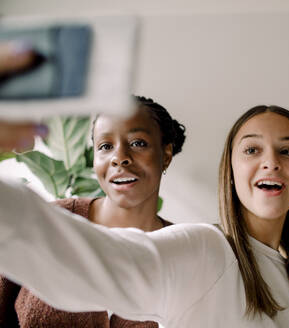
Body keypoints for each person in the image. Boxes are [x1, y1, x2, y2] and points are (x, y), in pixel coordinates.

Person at [0, 105, 289, 327]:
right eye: (251, 150)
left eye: (287, 151)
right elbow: (81, 263)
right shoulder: (206, 250)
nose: (271, 162)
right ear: (229, 172)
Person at [0, 95, 186, 327]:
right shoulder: (49, 221)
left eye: (138, 143)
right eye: (105, 146)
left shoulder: (186, 252)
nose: (119, 158)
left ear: (166, 155)